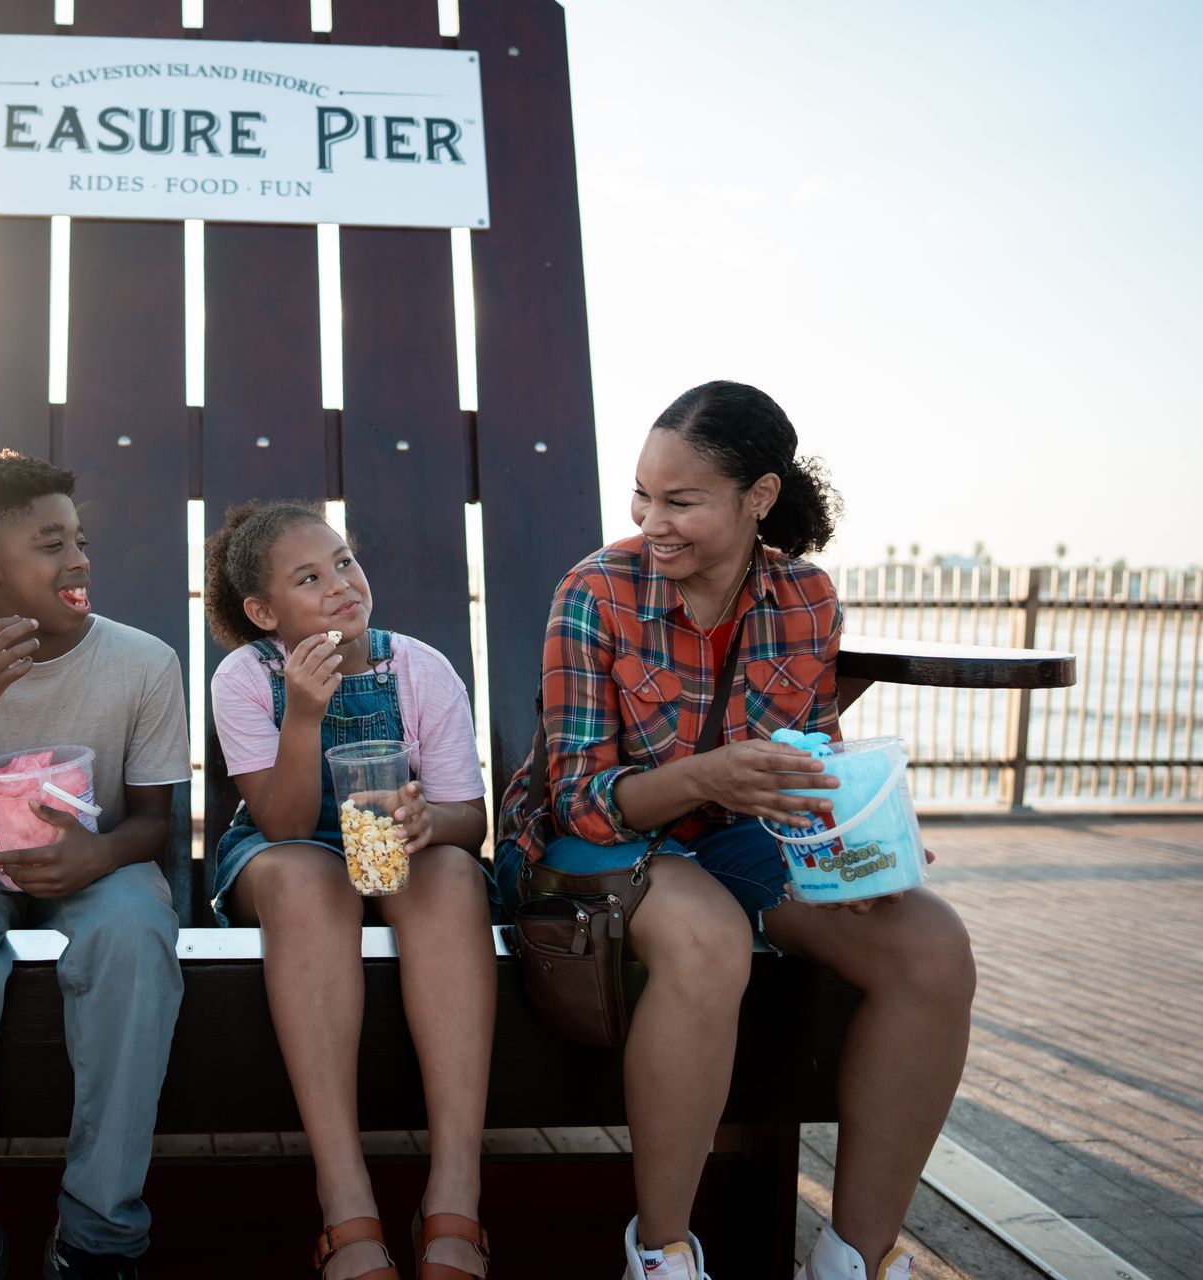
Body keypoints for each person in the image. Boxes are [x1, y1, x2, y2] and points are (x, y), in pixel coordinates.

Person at [495, 380, 976, 1280]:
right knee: (706, 936)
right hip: (595, 844)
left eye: (681, 500)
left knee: (930, 943)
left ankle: (854, 1258)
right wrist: (707, 776)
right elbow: (579, 800)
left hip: (739, 840)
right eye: (644, 495)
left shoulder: (805, 596)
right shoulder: (595, 591)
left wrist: (863, 833)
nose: (653, 520)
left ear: (759, 497)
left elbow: (810, 758)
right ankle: (663, 1251)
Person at [0, 450, 189, 1280]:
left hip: (100, 858)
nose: (79, 561)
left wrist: (95, 854)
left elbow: (154, 824)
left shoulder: (143, 662)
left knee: (138, 931)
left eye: (79, 540)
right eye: (51, 544)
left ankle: (100, 1233)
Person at [204, 501, 495, 1280]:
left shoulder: (420, 669)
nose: (340, 584)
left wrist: (430, 818)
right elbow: (284, 822)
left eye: (343, 562)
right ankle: (346, 1201)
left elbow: (471, 819)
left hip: (397, 847)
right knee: (306, 878)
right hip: (284, 855)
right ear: (265, 612)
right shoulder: (246, 678)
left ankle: (455, 1194)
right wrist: (303, 715)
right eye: (309, 578)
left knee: (454, 876)